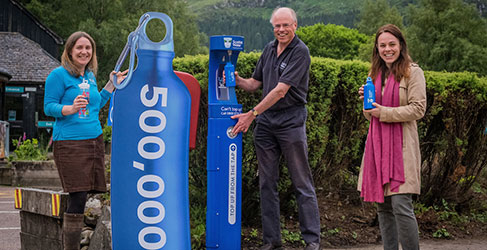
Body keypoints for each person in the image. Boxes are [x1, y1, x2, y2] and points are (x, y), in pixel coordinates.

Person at [230, 7, 321, 250]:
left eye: (285, 25)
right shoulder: (269, 49)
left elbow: (281, 90)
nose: (281, 30)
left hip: (291, 122)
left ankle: (312, 240)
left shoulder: (301, 52)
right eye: (277, 26)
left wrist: (252, 114)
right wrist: (238, 81)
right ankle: (271, 241)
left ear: (295, 26)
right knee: (267, 183)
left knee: (301, 182)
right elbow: (255, 83)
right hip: (267, 124)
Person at [44, 31, 126, 250]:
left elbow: (94, 106)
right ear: (70, 51)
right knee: (78, 196)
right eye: (79, 47)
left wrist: (111, 85)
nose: (84, 51)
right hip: (70, 144)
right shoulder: (58, 75)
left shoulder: (88, 76)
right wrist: (69, 108)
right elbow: (48, 106)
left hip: (93, 141)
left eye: (88, 48)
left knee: (84, 195)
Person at [357, 24, 426, 250]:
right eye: (382, 45)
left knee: (400, 204)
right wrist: (368, 106)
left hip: (402, 148)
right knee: (383, 207)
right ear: (377, 49)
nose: (387, 49)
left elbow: (418, 109)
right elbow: (370, 117)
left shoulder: (413, 72)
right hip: (377, 147)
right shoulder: (374, 75)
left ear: (401, 45)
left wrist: (383, 112)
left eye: (392, 44)